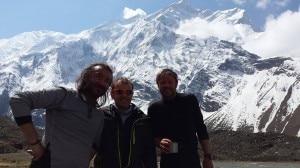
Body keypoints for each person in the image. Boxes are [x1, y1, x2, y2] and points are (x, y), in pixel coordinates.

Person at [9, 63, 113, 168]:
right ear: (86, 76)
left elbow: (94, 144)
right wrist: (35, 144)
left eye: (107, 81)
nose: (102, 83)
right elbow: (19, 100)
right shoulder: (64, 96)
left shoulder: (98, 115)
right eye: (98, 77)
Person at [148, 68, 214, 168]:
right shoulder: (154, 108)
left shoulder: (189, 100)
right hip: (168, 162)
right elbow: (152, 136)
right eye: (163, 82)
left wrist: (208, 157)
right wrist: (160, 143)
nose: (166, 85)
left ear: (176, 83)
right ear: (158, 85)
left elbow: (201, 129)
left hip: (191, 161)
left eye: (170, 82)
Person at [94, 77, 157, 168]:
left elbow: (149, 153)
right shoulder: (102, 116)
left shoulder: (143, 120)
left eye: (128, 92)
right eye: (119, 92)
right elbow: (92, 146)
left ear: (132, 94)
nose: (124, 95)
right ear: (112, 94)